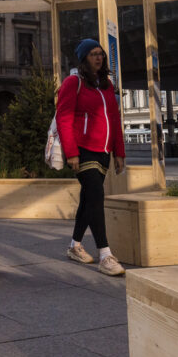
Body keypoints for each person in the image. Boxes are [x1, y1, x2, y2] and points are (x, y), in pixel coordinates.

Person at [55, 39, 127, 276]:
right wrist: (72, 153)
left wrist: (119, 152)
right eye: (93, 54)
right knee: (96, 195)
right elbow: (64, 118)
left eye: (101, 54)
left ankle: (74, 246)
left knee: (88, 199)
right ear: (84, 58)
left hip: (103, 151)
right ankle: (105, 255)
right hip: (83, 149)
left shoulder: (106, 85)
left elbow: (114, 119)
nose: (99, 58)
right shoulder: (73, 82)